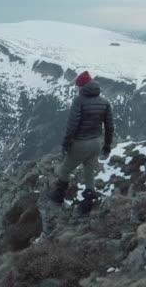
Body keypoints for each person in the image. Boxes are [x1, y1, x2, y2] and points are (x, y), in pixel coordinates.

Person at [48, 71, 114, 212]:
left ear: (82, 86)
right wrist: (107, 145)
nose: (77, 89)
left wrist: (65, 144)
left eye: (78, 86)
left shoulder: (79, 101)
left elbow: (72, 125)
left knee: (64, 170)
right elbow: (109, 126)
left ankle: (57, 198)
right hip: (96, 143)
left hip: (81, 143)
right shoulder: (105, 102)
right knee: (89, 172)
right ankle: (87, 204)